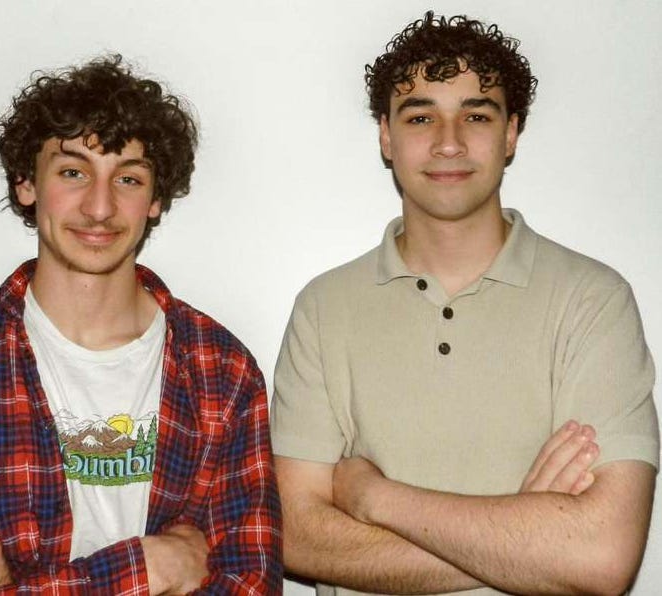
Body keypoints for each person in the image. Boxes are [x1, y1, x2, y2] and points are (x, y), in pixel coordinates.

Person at [271, 12, 658, 596]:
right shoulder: (323, 308)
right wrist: (525, 534)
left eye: (476, 115)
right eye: (420, 116)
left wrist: (376, 498)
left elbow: (603, 557)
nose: (448, 142)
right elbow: (296, 538)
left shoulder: (592, 301)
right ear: (386, 136)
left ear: (511, 134)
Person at [0, 55, 282, 594]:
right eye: (73, 172)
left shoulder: (222, 371)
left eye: (128, 178)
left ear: (155, 199)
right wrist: (147, 569)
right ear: (26, 183)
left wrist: (4, 586)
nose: (100, 207)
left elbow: (250, 584)